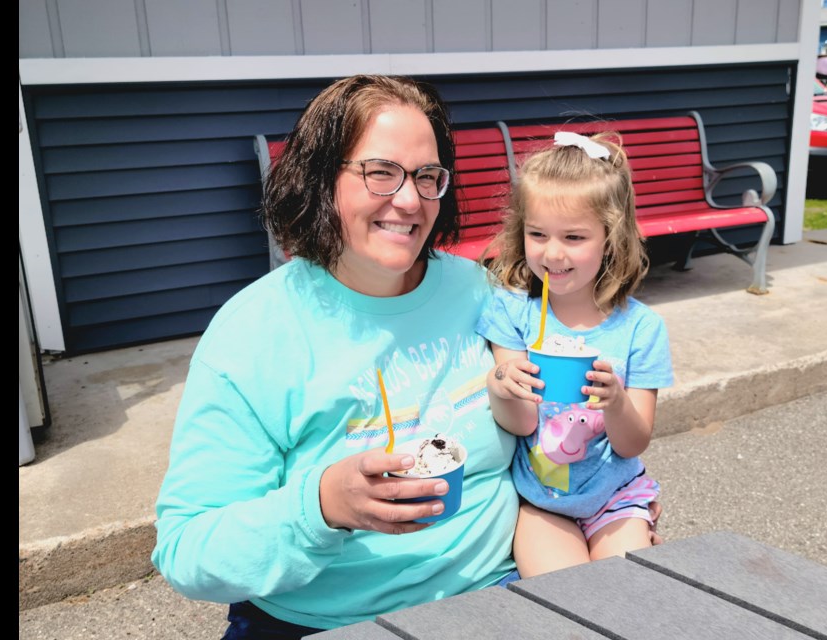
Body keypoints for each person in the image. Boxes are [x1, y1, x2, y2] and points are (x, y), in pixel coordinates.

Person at [151, 75, 521, 637]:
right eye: (380, 172)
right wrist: (322, 507)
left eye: (427, 176)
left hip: (496, 595)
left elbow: (542, 431)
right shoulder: (254, 333)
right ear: (321, 180)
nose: (408, 199)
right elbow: (187, 552)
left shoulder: (476, 290)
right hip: (326, 621)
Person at [475, 130, 674, 578]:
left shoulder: (641, 328)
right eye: (537, 233)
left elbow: (633, 442)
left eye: (574, 237)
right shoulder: (513, 311)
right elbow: (524, 423)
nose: (552, 252)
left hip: (618, 498)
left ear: (611, 237)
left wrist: (617, 401)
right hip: (542, 502)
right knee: (565, 599)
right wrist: (502, 385)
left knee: (626, 595)